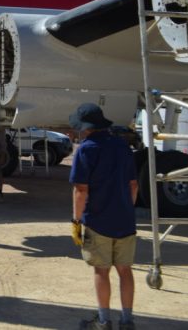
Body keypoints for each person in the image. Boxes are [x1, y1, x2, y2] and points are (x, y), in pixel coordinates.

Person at [69, 103, 138, 330]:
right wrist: (126, 209)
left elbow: (81, 191)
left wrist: (76, 220)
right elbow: (133, 185)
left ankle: (103, 320)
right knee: (125, 270)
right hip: (125, 221)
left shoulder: (86, 149)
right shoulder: (122, 146)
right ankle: (127, 321)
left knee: (102, 270)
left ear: (85, 128)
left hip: (98, 221)